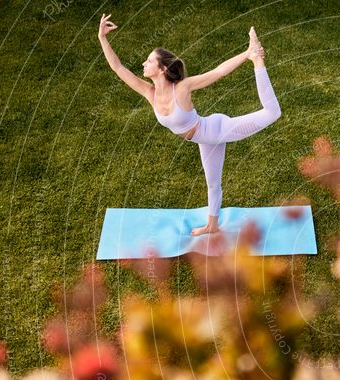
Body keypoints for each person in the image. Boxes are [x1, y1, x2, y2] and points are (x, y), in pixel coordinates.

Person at [97, 14, 282, 236]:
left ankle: (257, 60)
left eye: (149, 61)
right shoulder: (150, 93)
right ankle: (212, 226)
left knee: (272, 112)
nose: (143, 64)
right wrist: (102, 38)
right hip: (203, 139)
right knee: (213, 184)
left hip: (218, 130)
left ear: (163, 69)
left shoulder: (182, 89)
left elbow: (218, 72)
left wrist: (248, 54)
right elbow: (118, 68)